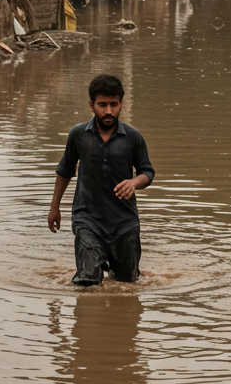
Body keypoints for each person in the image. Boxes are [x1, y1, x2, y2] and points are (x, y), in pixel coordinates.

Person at [48, 74, 155, 286]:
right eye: (102, 105)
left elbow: (147, 172)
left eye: (114, 105)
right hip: (87, 218)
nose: (108, 111)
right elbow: (65, 171)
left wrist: (134, 182)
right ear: (91, 105)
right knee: (86, 280)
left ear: (121, 104)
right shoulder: (78, 135)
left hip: (124, 221)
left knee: (127, 282)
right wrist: (54, 207)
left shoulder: (133, 137)